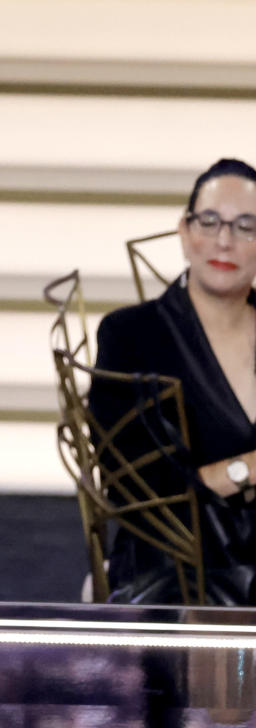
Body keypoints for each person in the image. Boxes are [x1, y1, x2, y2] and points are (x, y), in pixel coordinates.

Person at [89, 157, 256, 604]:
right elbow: (135, 489)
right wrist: (244, 470)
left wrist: (209, 478)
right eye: (210, 221)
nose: (225, 241)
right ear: (184, 232)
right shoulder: (130, 335)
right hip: (170, 576)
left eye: (246, 226)